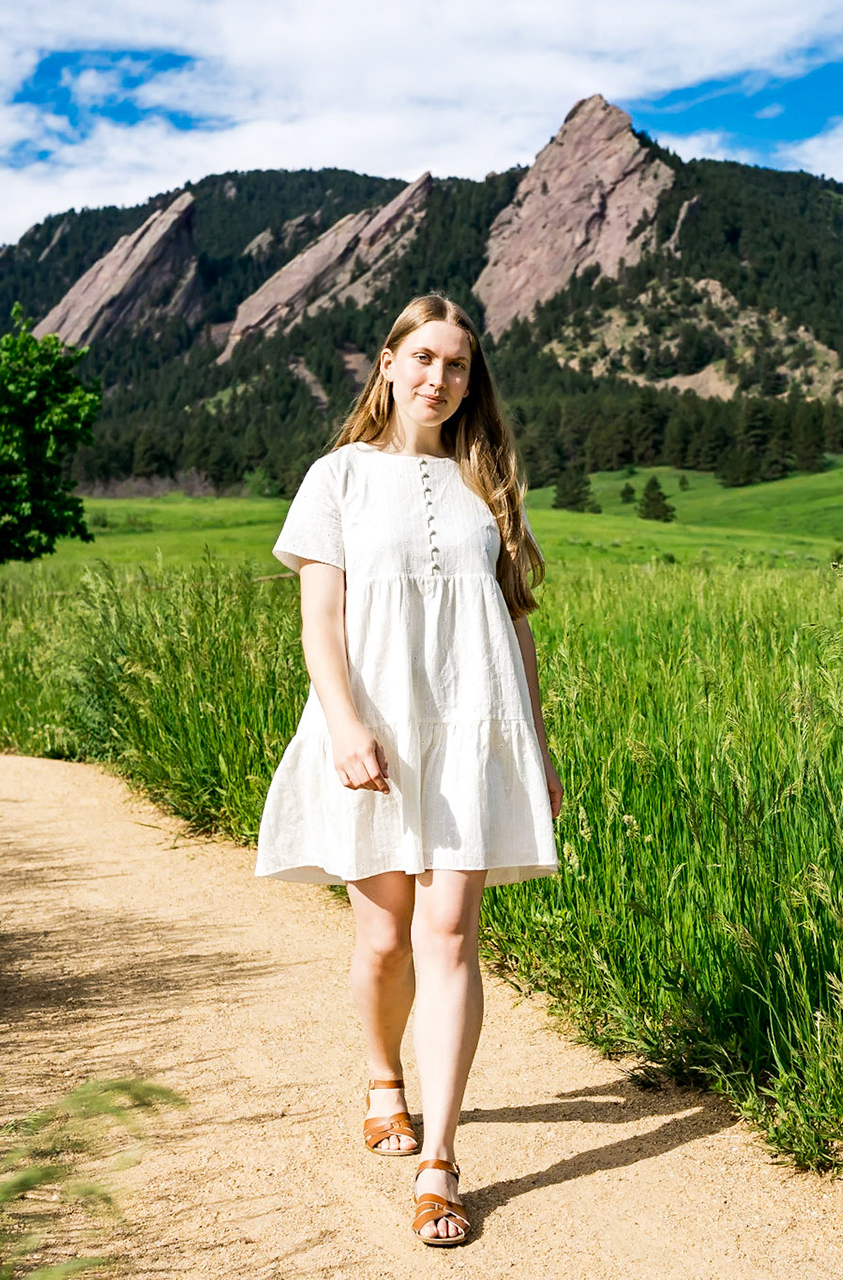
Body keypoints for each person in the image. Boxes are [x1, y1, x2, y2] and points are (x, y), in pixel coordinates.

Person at [255, 294, 563, 1246]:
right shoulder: (337, 477)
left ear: (473, 381)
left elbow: (514, 626)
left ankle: (441, 1158)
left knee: (452, 933)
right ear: (387, 365)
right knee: (387, 942)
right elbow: (321, 622)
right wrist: (344, 725)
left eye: (458, 364)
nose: (440, 377)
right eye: (423, 357)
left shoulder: (488, 482)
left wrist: (540, 748)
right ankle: (383, 1076)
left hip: (474, 731)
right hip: (376, 732)